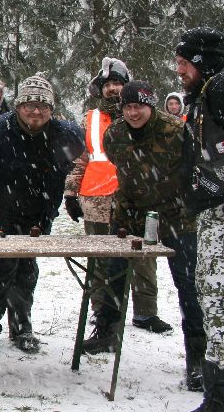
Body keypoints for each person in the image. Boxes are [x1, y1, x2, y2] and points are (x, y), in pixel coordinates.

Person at [79, 82, 207, 389]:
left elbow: (196, 168)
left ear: (151, 105)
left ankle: (198, 359)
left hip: (176, 217)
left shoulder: (177, 131)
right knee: (114, 276)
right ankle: (106, 333)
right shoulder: (115, 134)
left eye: (139, 107)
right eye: (128, 107)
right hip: (130, 215)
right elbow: (117, 166)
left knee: (188, 286)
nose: (133, 113)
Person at [0, 73, 84, 356]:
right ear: (18, 106)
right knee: (2, 269)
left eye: (43, 106)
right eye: (29, 104)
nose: (36, 111)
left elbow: (79, 168)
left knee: (27, 271)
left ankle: (21, 327)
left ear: (51, 109)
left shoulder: (65, 134)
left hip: (38, 211)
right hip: (2, 209)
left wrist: (71, 197)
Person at [168, 28, 224, 412]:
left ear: (202, 61)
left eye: (184, 63)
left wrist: (218, 188)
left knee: (220, 300)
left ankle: (220, 406)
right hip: (220, 207)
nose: (179, 70)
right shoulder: (219, 85)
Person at [63, 59, 168, 332]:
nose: (112, 89)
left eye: (118, 83)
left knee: (143, 259)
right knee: (99, 262)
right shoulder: (90, 119)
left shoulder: (140, 116)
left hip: (135, 201)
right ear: (100, 89)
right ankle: (101, 311)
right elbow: (79, 160)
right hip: (95, 200)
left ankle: (146, 313)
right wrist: (71, 193)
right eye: (108, 84)